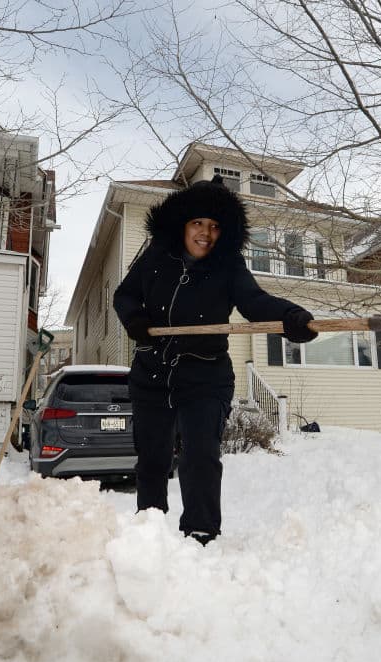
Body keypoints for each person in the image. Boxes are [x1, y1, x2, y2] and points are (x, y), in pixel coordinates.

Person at [113, 175, 317, 545]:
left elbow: (255, 302)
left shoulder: (228, 266)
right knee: (153, 458)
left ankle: (201, 532)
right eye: (198, 223)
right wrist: (137, 320)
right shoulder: (157, 256)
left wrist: (291, 318)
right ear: (183, 224)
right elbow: (124, 296)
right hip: (152, 373)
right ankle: (149, 534)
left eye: (215, 226)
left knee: (200, 454)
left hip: (205, 374)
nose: (206, 233)